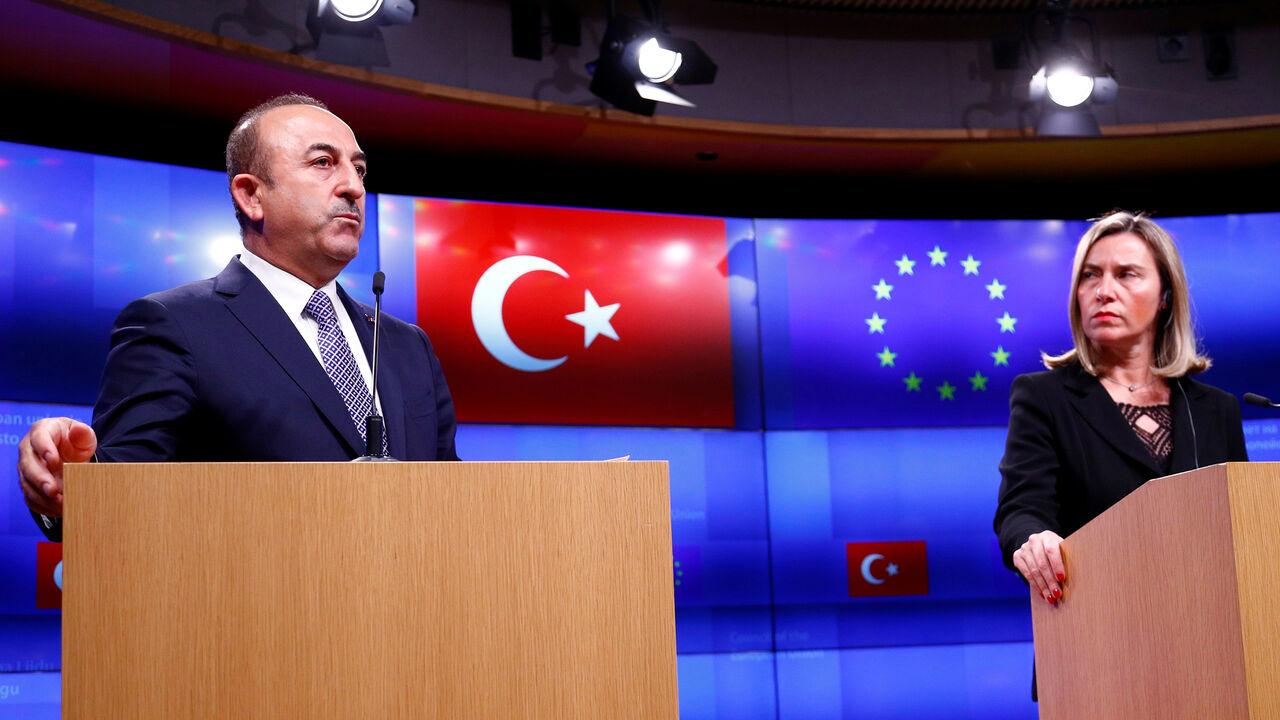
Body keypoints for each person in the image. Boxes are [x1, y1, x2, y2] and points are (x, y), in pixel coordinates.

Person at [17, 94, 459, 541]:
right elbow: (118, 502)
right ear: (251, 195)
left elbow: (459, 501)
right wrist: (71, 481)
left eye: (359, 169)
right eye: (324, 163)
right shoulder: (173, 324)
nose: (354, 187)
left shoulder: (407, 345)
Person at [995, 210, 1248, 604]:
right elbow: (1022, 508)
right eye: (1090, 275)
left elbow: (1243, 531)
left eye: (1126, 274)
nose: (1103, 291)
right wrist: (1033, 540)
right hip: (1092, 628)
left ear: (1166, 296)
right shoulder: (1043, 397)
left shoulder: (1217, 410)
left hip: (1206, 629)